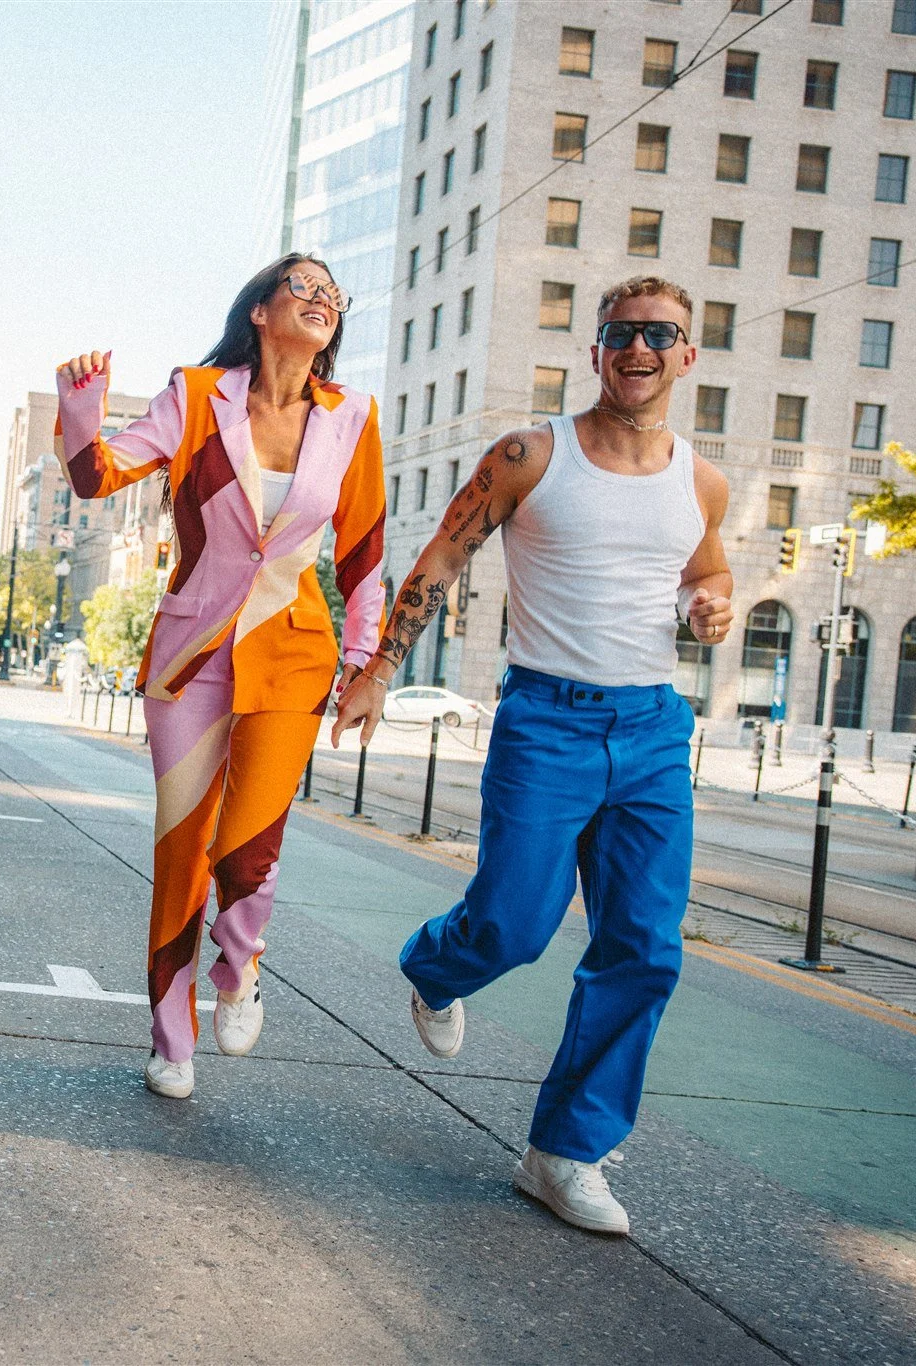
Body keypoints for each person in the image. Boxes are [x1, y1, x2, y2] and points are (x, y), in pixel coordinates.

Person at [334, 275, 734, 1236]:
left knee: (644, 947)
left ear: (687, 355)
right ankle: (437, 966)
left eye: (660, 335)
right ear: (595, 352)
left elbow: (705, 567)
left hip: (652, 728)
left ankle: (565, 1153)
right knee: (513, 926)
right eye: (620, 333)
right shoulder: (530, 455)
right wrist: (380, 669)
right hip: (546, 720)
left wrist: (709, 603)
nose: (638, 349)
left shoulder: (702, 480)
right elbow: (443, 554)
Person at [54, 253, 386, 1099]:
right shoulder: (198, 396)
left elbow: (363, 551)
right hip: (191, 655)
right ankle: (172, 1039)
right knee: (183, 850)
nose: (321, 299)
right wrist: (81, 404)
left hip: (295, 651)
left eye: (332, 294)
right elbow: (97, 476)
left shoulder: (352, 417)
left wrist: (363, 660)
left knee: (249, 848)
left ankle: (240, 968)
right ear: (260, 312)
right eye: (303, 287)